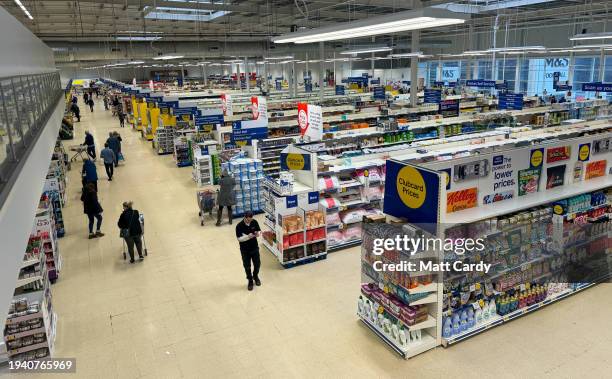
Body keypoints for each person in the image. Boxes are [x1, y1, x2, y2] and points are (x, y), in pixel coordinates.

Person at [235, 211, 261, 291]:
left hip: (254, 247)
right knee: (247, 266)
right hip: (245, 250)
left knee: (257, 264)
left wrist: (258, 233)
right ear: (245, 218)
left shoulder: (254, 222)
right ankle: (250, 280)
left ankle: (255, 276)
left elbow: (259, 230)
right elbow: (239, 239)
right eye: (248, 220)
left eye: (251, 220)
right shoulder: (239, 226)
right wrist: (248, 237)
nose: (249, 221)